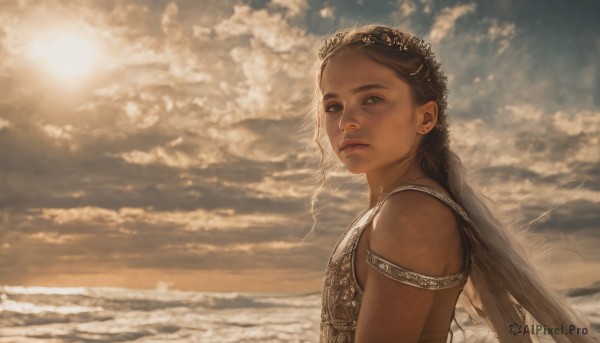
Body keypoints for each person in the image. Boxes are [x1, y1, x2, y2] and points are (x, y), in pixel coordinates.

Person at [306, 25, 596, 342]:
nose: (346, 121)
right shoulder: (398, 209)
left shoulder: (412, 214)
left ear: (426, 118)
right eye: (333, 106)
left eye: (372, 99)